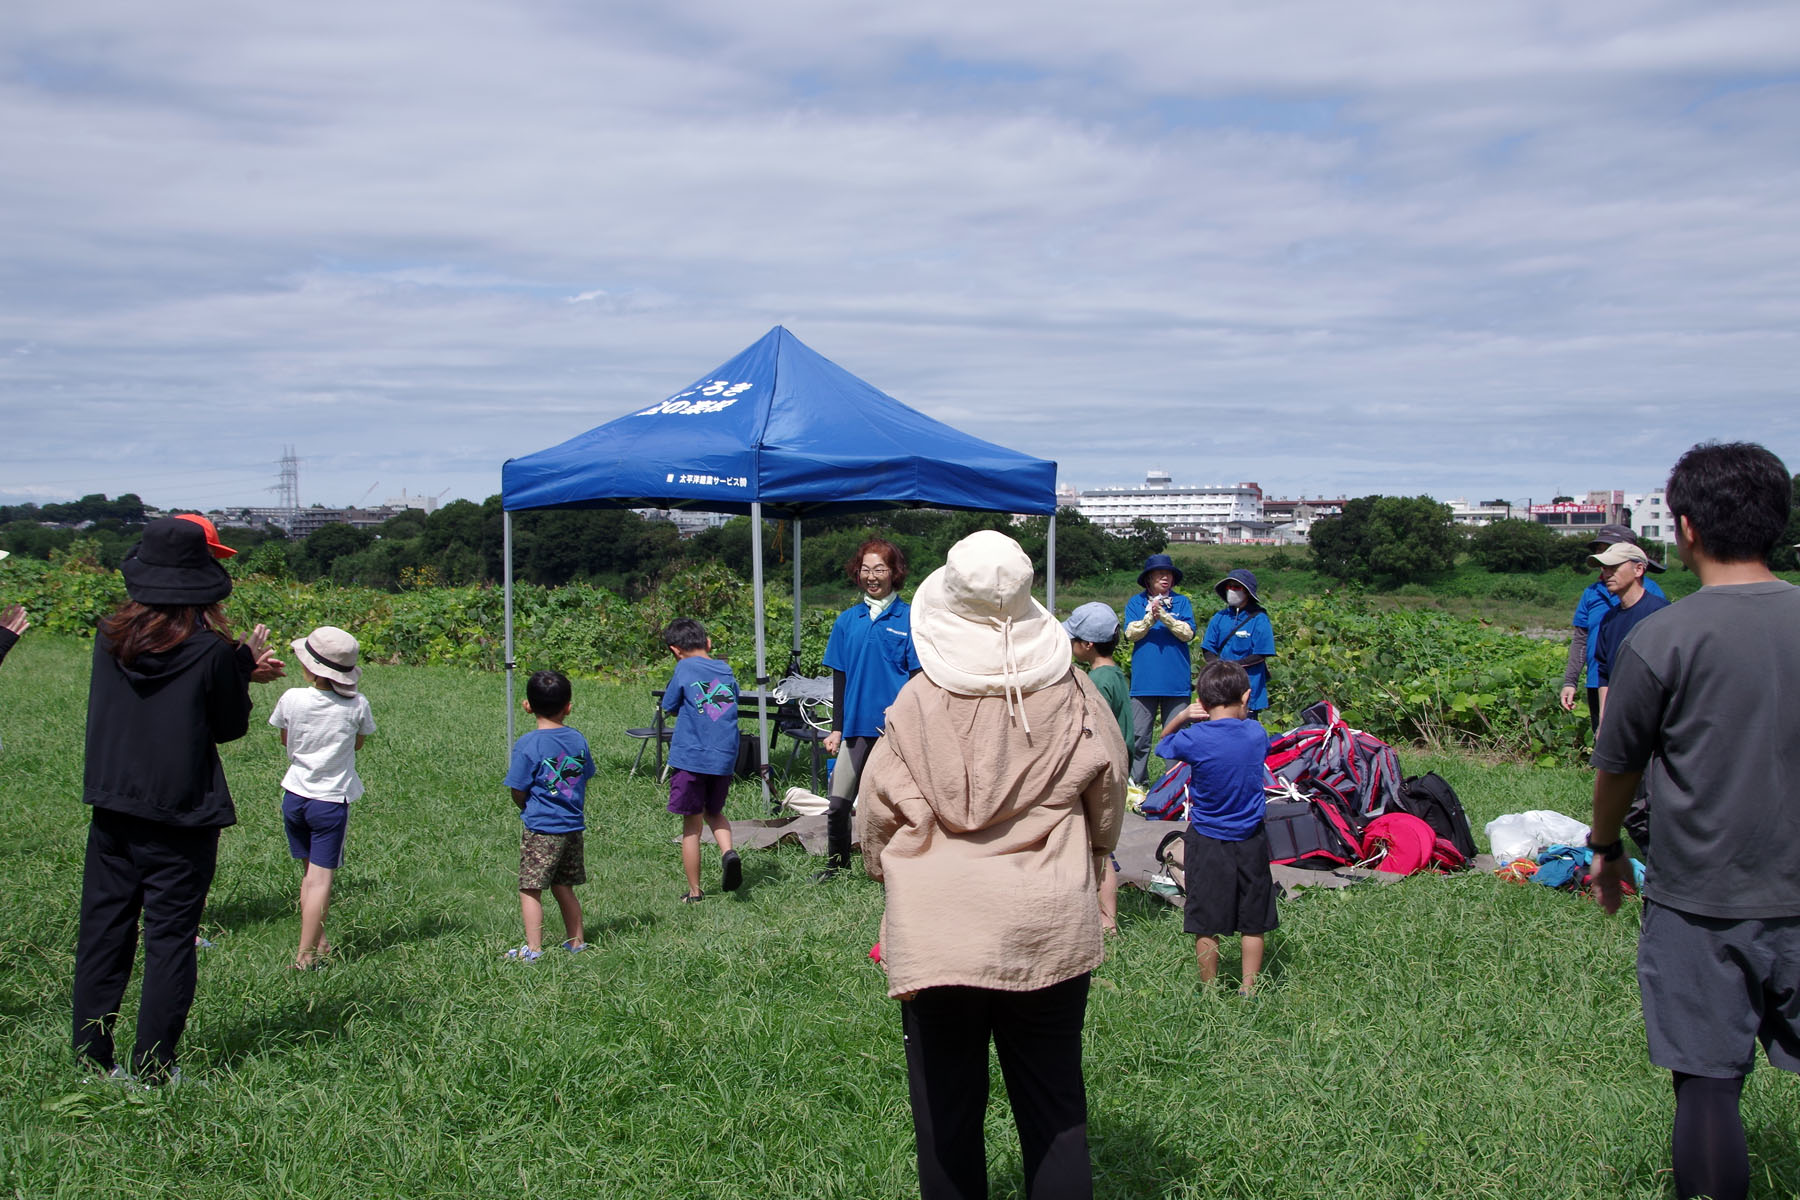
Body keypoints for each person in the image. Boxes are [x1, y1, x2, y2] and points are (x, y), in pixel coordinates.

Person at [859, 530, 1126, 1200]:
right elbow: (1108, 803)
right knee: (1055, 1110)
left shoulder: (915, 703)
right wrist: (1092, 858)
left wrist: (885, 872)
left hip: (938, 931)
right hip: (1048, 921)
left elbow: (874, 819)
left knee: (946, 1116)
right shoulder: (1078, 695)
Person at [1588, 441, 1800, 1200]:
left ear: (1684, 529)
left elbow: (1619, 770)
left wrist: (1605, 847)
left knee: (1708, 1085)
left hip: (1703, 901)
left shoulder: (1664, 637)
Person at [73, 516, 284, 1084]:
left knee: (104, 931)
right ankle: (153, 1068)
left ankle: (91, 1058)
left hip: (114, 803)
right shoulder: (210, 650)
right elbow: (225, 725)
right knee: (169, 939)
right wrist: (239, 667)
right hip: (180, 813)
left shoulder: (108, 635)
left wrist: (234, 664)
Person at [1155, 660, 1276, 993]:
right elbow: (1263, 748)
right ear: (1247, 697)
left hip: (1207, 839)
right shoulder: (1256, 733)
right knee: (1255, 918)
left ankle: (1209, 990)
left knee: (1206, 919)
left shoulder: (1195, 738)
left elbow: (1162, 746)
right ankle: (1249, 987)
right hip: (1251, 837)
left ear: (1203, 703)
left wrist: (1181, 717)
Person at [270, 626, 376, 969]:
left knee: (308, 877)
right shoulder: (357, 704)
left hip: (294, 796)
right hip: (330, 802)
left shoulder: (291, 698)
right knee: (320, 881)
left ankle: (321, 940)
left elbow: (286, 739)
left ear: (308, 667)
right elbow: (358, 743)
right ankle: (305, 956)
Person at [818, 538, 921, 879]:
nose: (872, 576)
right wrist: (836, 727)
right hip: (855, 727)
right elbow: (840, 679)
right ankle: (836, 867)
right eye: (866, 569)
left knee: (899, 803)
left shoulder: (910, 619)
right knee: (838, 804)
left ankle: (899, 869)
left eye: (880, 569)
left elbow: (919, 678)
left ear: (895, 573)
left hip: (896, 730)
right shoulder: (848, 621)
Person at [502, 669, 595, 959]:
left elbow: (518, 788)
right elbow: (584, 775)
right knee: (563, 884)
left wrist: (527, 806)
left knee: (530, 887)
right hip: (572, 826)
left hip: (542, 828)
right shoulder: (578, 740)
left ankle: (533, 949)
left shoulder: (529, 744)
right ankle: (577, 943)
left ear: (527, 705)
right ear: (568, 706)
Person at [661, 618, 743, 902]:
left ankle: (695, 892)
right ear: (708, 643)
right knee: (715, 812)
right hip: (723, 759)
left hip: (691, 758)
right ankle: (728, 852)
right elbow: (730, 700)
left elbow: (668, 705)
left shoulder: (683, 668)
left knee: (691, 825)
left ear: (675, 650)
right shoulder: (725, 669)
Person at [1558, 524, 1667, 732]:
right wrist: (1570, 681)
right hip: (1600, 682)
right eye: (1600, 550)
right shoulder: (1592, 594)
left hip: (1639, 687)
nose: (1605, 557)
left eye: (1611, 549)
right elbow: (1582, 639)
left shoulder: (1653, 597)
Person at [1065, 600, 1130, 934]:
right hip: (1116, 764)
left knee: (1100, 849)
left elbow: (1095, 728)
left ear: (1087, 645)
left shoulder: (1098, 681)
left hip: (1102, 767)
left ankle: (1105, 920)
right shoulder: (1114, 672)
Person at [1123, 553, 1195, 785]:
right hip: (1144, 682)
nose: (1166, 577)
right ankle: (1137, 784)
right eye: (1160, 574)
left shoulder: (1182, 602)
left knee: (1176, 736)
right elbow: (1130, 633)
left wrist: (1165, 617)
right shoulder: (1136, 602)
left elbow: (1188, 633)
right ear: (1148, 579)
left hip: (1176, 683)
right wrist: (1149, 618)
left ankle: (1174, 786)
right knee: (1138, 736)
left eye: (1169, 574)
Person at [1199, 568, 1276, 720]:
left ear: (1247, 592)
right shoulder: (1219, 617)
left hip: (1248, 685)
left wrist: (1233, 667)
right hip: (1221, 685)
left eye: (1237, 587)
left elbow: (1261, 653)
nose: (1232, 591)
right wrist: (1220, 669)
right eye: (1229, 587)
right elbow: (1208, 648)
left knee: (1245, 732)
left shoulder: (1259, 619)